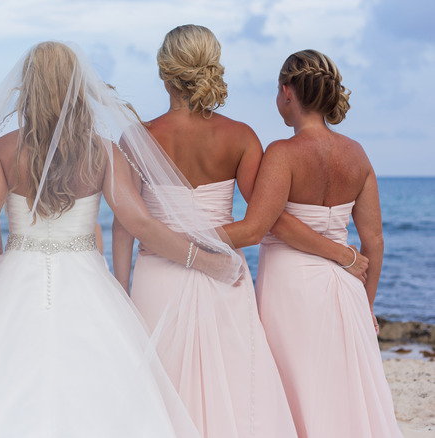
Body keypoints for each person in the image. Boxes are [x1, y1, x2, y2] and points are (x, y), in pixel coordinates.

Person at [0, 41, 247, 438]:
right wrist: (204, 259)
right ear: (77, 87)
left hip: (14, 279)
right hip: (87, 279)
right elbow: (141, 225)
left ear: (28, 87)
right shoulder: (102, 151)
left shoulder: (2, 150)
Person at [112, 24, 299, 437]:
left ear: (165, 73)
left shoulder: (136, 139)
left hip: (157, 276)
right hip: (223, 274)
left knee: (162, 386)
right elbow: (257, 224)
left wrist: (121, 291)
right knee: (234, 384)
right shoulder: (243, 137)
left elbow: (124, 229)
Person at [222, 49, 401, 437]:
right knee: (341, 395)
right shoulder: (357, 154)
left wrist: (190, 235)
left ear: (287, 92)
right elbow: (375, 241)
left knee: (294, 391)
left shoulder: (282, 154)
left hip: (292, 288)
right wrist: (365, 304)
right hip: (348, 290)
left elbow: (264, 226)